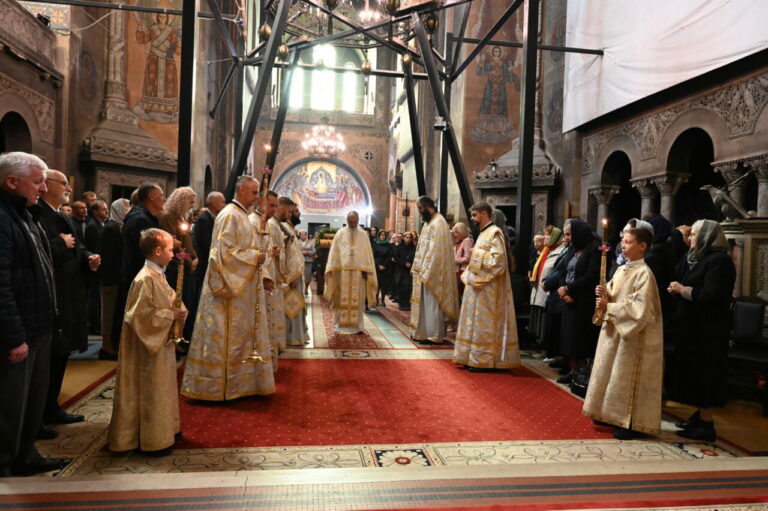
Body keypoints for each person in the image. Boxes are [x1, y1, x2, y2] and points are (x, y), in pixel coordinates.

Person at [0, 152, 67, 476]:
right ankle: (5, 462)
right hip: (20, 330)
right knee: (11, 403)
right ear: (12, 182)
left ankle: (25, 454)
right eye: (38, 181)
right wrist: (13, 337)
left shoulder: (26, 215)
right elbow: (1, 284)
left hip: (39, 324)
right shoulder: (3, 217)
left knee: (32, 400)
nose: (43, 188)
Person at [181, 176, 275, 401]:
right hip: (229, 293)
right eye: (254, 193)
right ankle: (221, 388)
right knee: (228, 337)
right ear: (241, 190)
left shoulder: (242, 215)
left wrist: (261, 267)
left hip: (243, 289)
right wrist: (255, 257)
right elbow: (222, 254)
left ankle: (243, 384)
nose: (257, 198)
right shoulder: (230, 215)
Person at [107, 228, 188, 454]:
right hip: (146, 350)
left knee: (163, 386)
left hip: (160, 343)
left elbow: (171, 299)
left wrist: (178, 310)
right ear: (158, 250)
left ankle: (165, 429)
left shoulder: (158, 275)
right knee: (151, 389)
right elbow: (139, 317)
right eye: (170, 250)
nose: (173, 254)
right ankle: (151, 439)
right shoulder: (144, 279)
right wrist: (170, 315)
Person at [584, 222, 663, 440]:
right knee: (611, 373)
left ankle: (630, 421)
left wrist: (608, 307)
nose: (623, 246)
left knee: (626, 377)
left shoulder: (644, 274)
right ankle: (608, 413)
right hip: (616, 332)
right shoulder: (622, 269)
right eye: (622, 241)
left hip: (634, 338)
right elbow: (615, 292)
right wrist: (604, 292)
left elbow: (640, 309)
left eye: (628, 242)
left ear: (643, 246)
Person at [37, 169, 100, 432]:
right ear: (47, 184)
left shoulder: (62, 215)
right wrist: (62, 244)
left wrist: (88, 257)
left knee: (61, 353)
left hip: (69, 291)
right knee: (50, 356)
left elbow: (78, 244)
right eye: (63, 184)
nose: (68, 188)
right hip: (53, 293)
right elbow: (42, 251)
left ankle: (51, 406)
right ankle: (41, 411)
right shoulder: (37, 213)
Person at [667, 219, 735, 442]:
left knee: (705, 375)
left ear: (707, 237)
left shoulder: (720, 261)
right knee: (692, 374)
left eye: (695, 235)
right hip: (691, 329)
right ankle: (699, 416)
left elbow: (712, 295)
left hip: (708, 331)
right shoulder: (697, 258)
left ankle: (706, 424)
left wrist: (682, 290)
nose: (690, 239)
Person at [453, 202, 520, 372]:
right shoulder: (483, 233)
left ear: (484, 213)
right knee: (473, 323)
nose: (472, 219)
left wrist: (476, 253)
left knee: (484, 324)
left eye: (475, 215)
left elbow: (498, 262)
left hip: (489, 289)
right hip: (477, 286)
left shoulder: (495, 233)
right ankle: (470, 356)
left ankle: (484, 360)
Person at [113, 184, 164, 348]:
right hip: (138, 274)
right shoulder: (141, 218)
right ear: (151, 196)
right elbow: (146, 250)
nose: (164, 199)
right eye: (161, 195)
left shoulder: (144, 216)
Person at [556, 219, 602, 384]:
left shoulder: (594, 247)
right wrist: (562, 289)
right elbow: (562, 270)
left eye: (569, 234)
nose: (566, 238)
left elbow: (592, 275)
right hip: (568, 298)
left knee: (579, 339)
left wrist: (569, 289)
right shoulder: (573, 248)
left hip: (583, 299)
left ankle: (580, 373)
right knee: (569, 338)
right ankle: (572, 370)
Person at [410, 196, 459, 344]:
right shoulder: (428, 223)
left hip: (433, 272)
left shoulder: (439, 223)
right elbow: (421, 248)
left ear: (426, 206)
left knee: (432, 304)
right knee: (424, 305)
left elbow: (436, 251)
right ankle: (422, 332)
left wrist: (426, 270)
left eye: (420, 208)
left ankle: (434, 334)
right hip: (422, 270)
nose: (419, 211)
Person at [324, 211, 377, 334]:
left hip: (358, 274)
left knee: (357, 300)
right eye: (350, 222)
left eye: (355, 222)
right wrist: (332, 268)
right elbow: (334, 253)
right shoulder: (340, 233)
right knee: (342, 299)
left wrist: (366, 270)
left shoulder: (363, 234)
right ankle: (340, 325)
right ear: (346, 220)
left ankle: (357, 326)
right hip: (343, 273)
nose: (353, 224)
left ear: (358, 220)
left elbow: (367, 254)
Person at [160, 187, 198, 341]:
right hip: (176, 267)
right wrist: (189, 261)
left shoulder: (183, 218)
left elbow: (188, 242)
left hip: (187, 264)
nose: (192, 205)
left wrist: (196, 257)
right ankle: (175, 336)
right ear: (181, 201)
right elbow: (173, 244)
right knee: (178, 303)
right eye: (190, 202)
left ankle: (182, 335)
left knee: (187, 303)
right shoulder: (168, 217)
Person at [250, 190, 280, 367]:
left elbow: (264, 251)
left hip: (266, 280)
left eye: (276, 206)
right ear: (261, 203)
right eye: (271, 205)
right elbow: (253, 252)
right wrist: (266, 277)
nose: (274, 210)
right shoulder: (253, 222)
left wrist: (273, 252)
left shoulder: (265, 223)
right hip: (258, 282)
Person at [98, 198, 130, 360]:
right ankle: (106, 346)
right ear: (117, 209)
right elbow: (107, 257)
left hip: (116, 278)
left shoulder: (119, 227)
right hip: (110, 279)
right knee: (108, 313)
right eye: (126, 206)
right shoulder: (110, 228)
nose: (128, 208)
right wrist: (107, 282)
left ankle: (111, 344)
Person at [529, 226, 565, 344]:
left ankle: (543, 345)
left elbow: (555, 271)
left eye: (548, 235)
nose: (545, 237)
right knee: (538, 320)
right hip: (539, 288)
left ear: (555, 237)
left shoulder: (559, 252)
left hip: (548, 290)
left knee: (544, 322)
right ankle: (538, 343)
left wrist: (547, 283)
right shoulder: (546, 251)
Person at [192, 191, 225, 306]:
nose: (224, 204)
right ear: (213, 202)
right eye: (222, 201)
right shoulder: (204, 219)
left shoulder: (213, 218)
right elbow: (206, 245)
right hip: (203, 265)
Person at [283, 202, 306, 347]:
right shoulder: (284, 228)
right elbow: (285, 255)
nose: (298, 214)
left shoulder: (291, 229)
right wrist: (289, 277)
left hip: (296, 275)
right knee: (290, 308)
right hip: (290, 277)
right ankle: (290, 337)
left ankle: (298, 335)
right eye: (295, 211)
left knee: (296, 306)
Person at [84, 200, 109, 335]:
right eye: (103, 209)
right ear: (95, 211)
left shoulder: (100, 224)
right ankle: (94, 325)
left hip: (99, 266)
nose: (106, 212)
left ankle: (96, 323)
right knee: (94, 296)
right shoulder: (93, 226)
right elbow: (96, 248)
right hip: (95, 266)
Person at [394, 232, 416, 311]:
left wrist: (410, 264)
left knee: (408, 287)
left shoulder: (413, 247)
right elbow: (396, 257)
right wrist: (404, 263)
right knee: (402, 287)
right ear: (403, 238)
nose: (408, 239)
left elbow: (415, 257)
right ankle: (402, 303)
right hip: (401, 269)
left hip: (409, 270)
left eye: (410, 238)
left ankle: (407, 303)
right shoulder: (399, 247)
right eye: (406, 237)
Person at [452, 222, 473, 300]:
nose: (455, 235)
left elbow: (468, 258)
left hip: (463, 271)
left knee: (462, 295)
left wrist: (455, 260)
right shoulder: (461, 241)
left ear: (461, 231)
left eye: (456, 232)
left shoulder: (467, 240)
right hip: (458, 270)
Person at [373, 230, 392, 306]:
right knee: (377, 284)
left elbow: (389, 256)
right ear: (379, 236)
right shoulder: (375, 244)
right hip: (377, 265)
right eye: (381, 235)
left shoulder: (389, 245)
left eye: (384, 235)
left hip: (386, 266)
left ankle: (383, 300)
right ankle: (376, 298)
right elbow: (373, 256)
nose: (383, 236)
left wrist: (384, 265)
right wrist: (378, 265)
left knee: (384, 284)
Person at [300, 230, 316, 296]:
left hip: (308, 261)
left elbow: (314, 251)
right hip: (299, 261)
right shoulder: (297, 242)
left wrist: (308, 252)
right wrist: (301, 252)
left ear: (306, 235)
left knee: (307, 276)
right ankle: (299, 289)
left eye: (304, 235)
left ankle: (306, 288)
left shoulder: (311, 242)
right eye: (301, 235)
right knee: (300, 276)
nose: (303, 236)